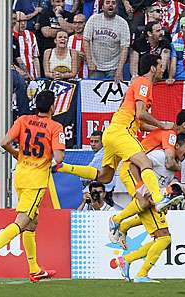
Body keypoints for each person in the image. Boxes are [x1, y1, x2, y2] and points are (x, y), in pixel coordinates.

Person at [54, 54, 176, 238]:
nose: (162, 70)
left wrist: (160, 128)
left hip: (112, 133)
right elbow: (142, 114)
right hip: (121, 132)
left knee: (105, 176)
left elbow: (141, 122)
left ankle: (63, 167)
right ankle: (159, 199)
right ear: (152, 68)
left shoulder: (139, 85)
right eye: (160, 66)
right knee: (145, 164)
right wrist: (162, 125)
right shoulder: (144, 83)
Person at [0, 90, 65, 282]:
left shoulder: (24, 120)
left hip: (21, 176)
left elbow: (4, 142)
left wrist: (18, 154)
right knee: (23, 221)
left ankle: (34, 269)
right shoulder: (55, 127)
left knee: (32, 224)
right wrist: (50, 161)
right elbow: (58, 158)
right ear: (52, 107)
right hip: (36, 181)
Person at [114, 133, 185, 283]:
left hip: (153, 203)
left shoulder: (173, 165)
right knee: (164, 238)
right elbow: (133, 164)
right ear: (176, 146)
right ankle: (142, 274)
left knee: (164, 240)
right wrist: (141, 188)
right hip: (147, 199)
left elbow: (160, 185)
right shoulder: (160, 156)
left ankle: (126, 258)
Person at [114, 107, 185, 230]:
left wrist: (160, 126)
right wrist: (179, 167)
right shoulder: (171, 135)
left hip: (139, 168)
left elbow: (143, 126)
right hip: (131, 168)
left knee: (152, 207)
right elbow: (170, 163)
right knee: (146, 203)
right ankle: (116, 221)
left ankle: (123, 226)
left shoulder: (170, 132)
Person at [84, 0, 130, 82]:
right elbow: (86, 40)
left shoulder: (123, 23)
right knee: (93, 93)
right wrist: (90, 61)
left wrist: (119, 69)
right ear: (102, 7)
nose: (110, 5)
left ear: (116, 7)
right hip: (95, 67)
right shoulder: (93, 20)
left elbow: (125, 48)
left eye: (113, 3)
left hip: (113, 68)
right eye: (108, 2)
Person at [80, 130, 115, 203]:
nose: (93, 144)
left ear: (103, 143)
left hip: (104, 193)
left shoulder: (101, 156)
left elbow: (84, 178)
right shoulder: (103, 153)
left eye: (96, 141)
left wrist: (84, 180)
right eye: (91, 141)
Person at [37, 0, 74, 66]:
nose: (61, 4)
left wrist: (58, 15)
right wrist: (64, 30)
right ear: (52, 2)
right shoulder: (45, 15)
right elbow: (47, 33)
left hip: (66, 54)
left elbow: (70, 30)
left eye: (63, 1)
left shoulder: (70, 15)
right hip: (49, 52)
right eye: (58, 1)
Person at [13, 11, 41, 80]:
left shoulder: (31, 35)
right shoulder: (9, 36)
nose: (23, 23)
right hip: (17, 77)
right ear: (13, 22)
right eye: (20, 21)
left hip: (33, 76)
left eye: (25, 20)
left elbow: (35, 58)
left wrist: (38, 77)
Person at [67, 13, 88, 78]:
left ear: (85, 23)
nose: (77, 26)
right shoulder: (68, 39)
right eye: (75, 23)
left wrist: (86, 57)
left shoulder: (90, 40)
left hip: (87, 77)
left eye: (80, 23)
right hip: (71, 77)